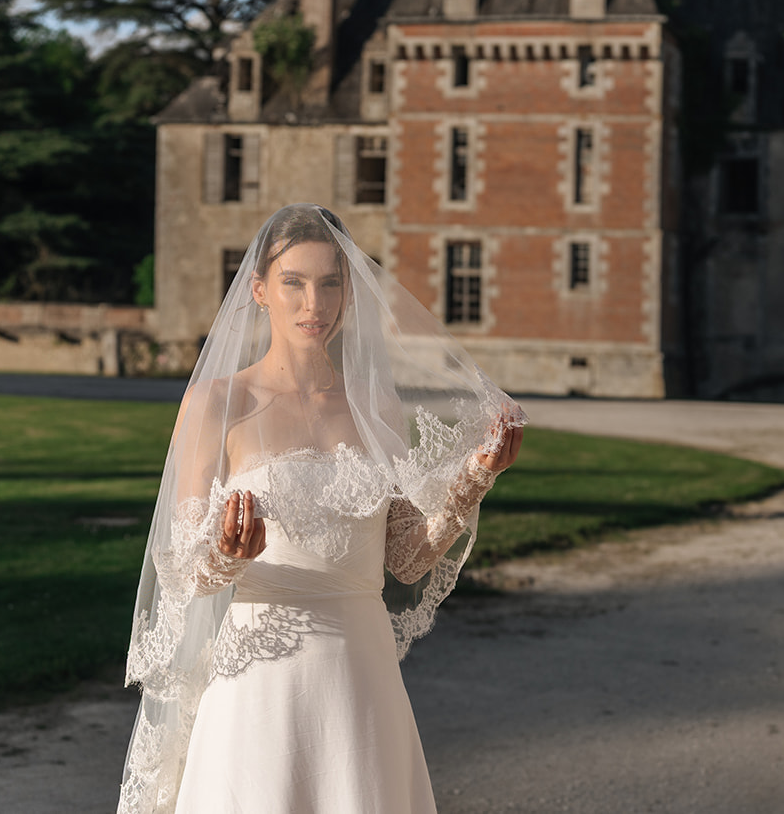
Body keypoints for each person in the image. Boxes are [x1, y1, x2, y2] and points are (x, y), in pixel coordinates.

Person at [119, 204, 526, 813]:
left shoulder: (375, 409)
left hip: (358, 673)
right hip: (258, 676)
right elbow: (182, 570)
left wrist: (476, 476)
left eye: (331, 282)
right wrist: (226, 557)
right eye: (294, 282)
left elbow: (408, 558)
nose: (315, 303)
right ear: (259, 290)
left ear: (349, 291)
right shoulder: (216, 404)